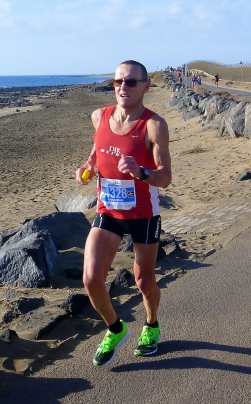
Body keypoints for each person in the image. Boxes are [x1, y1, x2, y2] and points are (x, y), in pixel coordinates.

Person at [76, 60, 172, 367]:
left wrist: (141, 172)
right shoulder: (99, 116)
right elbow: (97, 150)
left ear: (146, 86)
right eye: (117, 81)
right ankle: (116, 329)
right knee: (91, 279)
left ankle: (151, 325)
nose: (122, 87)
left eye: (131, 82)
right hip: (109, 211)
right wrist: (88, 166)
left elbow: (165, 177)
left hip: (144, 213)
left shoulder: (154, 125)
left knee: (144, 280)